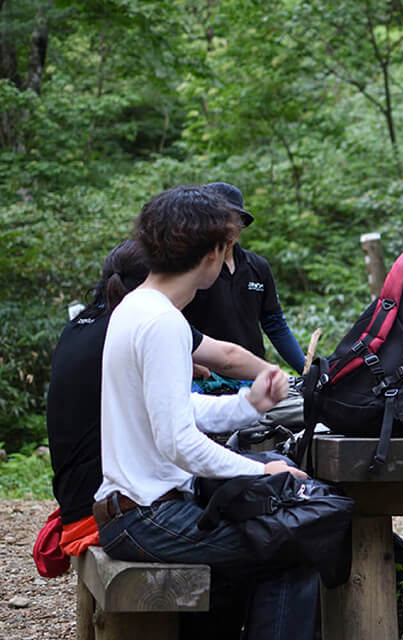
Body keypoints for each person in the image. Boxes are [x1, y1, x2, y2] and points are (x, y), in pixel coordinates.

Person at [93, 186, 318, 640]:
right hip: (147, 518)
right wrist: (263, 473)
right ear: (214, 252)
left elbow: (175, 408)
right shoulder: (163, 323)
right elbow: (178, 441)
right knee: (300, 543)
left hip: (133, 509)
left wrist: (248, 405)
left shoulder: (137, 307)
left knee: (253, 544)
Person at [47, 239, 272, 555]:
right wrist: (275, 376)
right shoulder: (151, 319)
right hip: (117, 505)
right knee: (277, 535)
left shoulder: (81, 325)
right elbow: (227, 356)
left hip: (79, 497)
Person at [183, 182, 306, 374]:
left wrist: (306, 369)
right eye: (222, 218)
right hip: (204, 379)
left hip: (251, 375)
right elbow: (176, 324)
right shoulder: (190, 266)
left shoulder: (257, 267)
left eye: (236, 219)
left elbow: (275, 324)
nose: (230, 226)